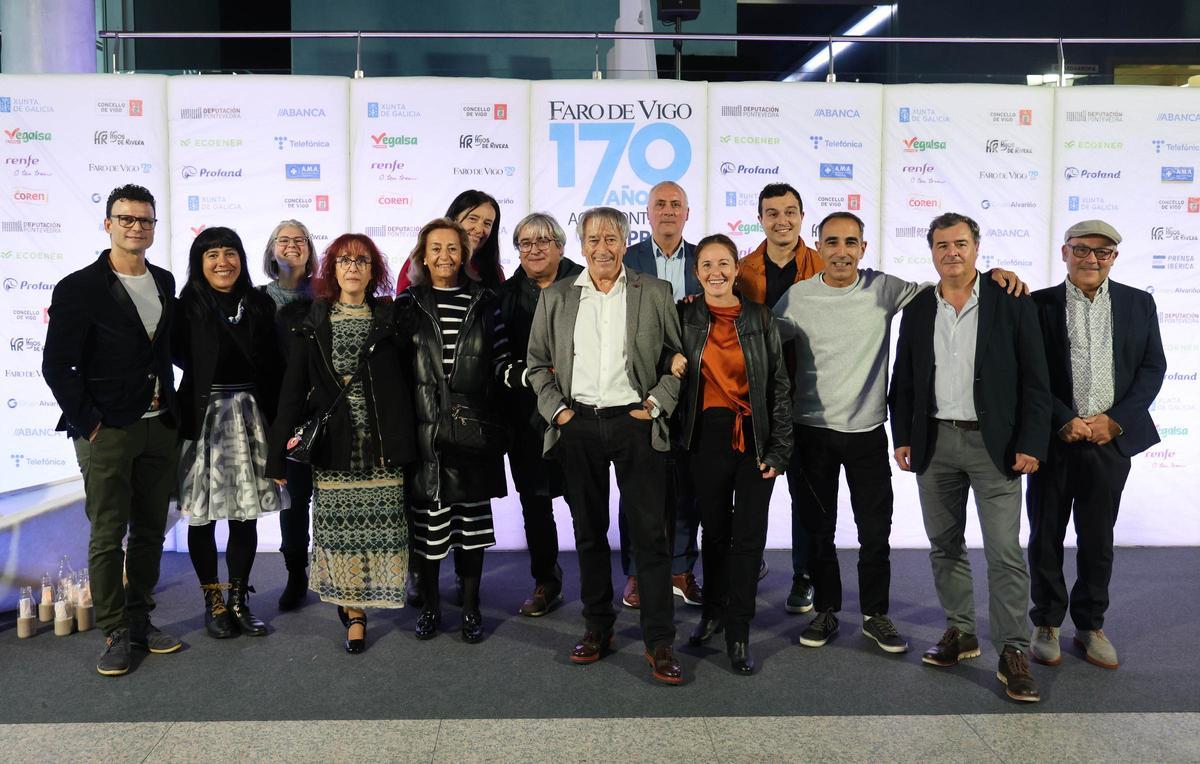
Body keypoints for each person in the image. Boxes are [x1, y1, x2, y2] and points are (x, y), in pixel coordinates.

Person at [772, 212, 1026, 655]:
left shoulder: (885, 289)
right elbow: (761, 341)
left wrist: (995, 276)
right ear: (819, 248)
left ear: (863, 249)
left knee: (875, 532)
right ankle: (826, 610)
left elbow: (951, 287)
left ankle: (876, 616)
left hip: (869, 432)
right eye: (832, 242)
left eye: (851, 242)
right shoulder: (797, 298)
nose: (842, 251)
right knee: (818, 529)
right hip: (810, 433)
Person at [889, 212, 1051, 703]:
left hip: (995, 446)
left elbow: (1035, 381)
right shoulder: (918, 307)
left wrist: (1031, 442)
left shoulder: (1011, 300)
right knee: (944, 545)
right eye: (942, 245)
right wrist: (903, 436)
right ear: (932, 251)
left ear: (977, 248)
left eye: (960, 243)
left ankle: (1013, 650)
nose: (951, 253)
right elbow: (906, 379)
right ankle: (960, 632)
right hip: (935, 443)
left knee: (1004, 551)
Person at [527, 206, 685, 685]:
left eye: (612, 238)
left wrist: (656, 404)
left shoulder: (654, 292)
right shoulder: (556, 297)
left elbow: (674, 360)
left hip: (635, 423)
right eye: (594, 238)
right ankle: (598, 628)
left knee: (650, 536)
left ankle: (659, 641)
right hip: (579, 425)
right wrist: (560, 414)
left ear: (624, 242)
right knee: (589, 533)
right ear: (581, 244)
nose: (603, 248)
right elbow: (536, 364)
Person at [42, 184, 182, 676]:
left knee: (149, 531)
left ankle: (141, 618)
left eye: (145, 220)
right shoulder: (78, 287)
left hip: (159, 427)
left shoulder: (164, 280)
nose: (136, 227)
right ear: (108, 223)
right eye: (126, 219)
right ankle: (115, 631)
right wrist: (92, 423)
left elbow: (168, 351)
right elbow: (57, 365)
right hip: (108, 430)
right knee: (107, 533)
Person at [1026, 220, 1167, 670]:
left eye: (1102, 252)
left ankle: (1090, 625)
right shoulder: (1037, 305)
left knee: (1098, 539)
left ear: (1114, 258)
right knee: (1046, 534)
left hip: (1109, 441)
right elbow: (1028, 373)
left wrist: (1117, 422)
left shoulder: (1138, 303)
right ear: (1064, 252)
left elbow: (1152, 368)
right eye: (1082, 250)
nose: (1091, 259)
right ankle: (1047, 622)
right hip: (1053, 440)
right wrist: (1061, 418)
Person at [267, 234, 415, 654]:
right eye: (344, 260)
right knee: (339, 534)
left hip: (384, 444)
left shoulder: (391, 319)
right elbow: (292, 392)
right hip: (335, 447)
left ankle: (370, 600)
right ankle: (354, 612)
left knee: (383, 531)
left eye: (362, 260)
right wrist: (277, 454)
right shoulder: (312, 320)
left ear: (374, 271)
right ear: (331, 269)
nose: (353, 267)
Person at [668, 234, 792, 675]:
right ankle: (713, 614)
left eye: (724, 263)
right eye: (706, 264)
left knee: (748, 538)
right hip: (705, 439)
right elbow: (660, 356)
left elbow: (778, 384)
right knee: (715, 534)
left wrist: (779, 448)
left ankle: (739, 631)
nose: (715, 272)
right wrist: (670, 362)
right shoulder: (683, 316)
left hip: (754, 439)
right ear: (696, 271)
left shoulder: (760, 317)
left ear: (737, 269)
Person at [400, 218, 510, 643]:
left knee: (472, 529)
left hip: (472, 432)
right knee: (428, 530)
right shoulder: (408, 304)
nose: (444, 256)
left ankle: (470, 608)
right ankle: (429, 606)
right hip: (423, 433)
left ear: (464, 255)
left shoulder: (485, 301)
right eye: (436, 248)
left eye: (453, 248)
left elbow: (500, 358)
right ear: (423, 256)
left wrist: (518, 377)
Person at [175, 227, 285, 639]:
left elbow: (273, 366)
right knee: (201, 517)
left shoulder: (258, 303)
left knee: (245, 513)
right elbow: (176, 356)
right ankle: (213, 601)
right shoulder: (187, 305)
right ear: (199, 263)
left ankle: (239, 599)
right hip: (203, 418)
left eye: (230, 253)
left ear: (241, 257)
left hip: (251, 416)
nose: (223, 262)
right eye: (212, 255)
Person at [733, 182, 825, 614]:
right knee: (754, 492)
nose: (781, 220)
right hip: (757, 399)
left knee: (805, 494)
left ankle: (804, 575)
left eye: (790, 211)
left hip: (809, 395)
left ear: (802, 217)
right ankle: (750, 566)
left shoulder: (824, 263)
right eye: (772, 212)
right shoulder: (743, 269)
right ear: (760, 219)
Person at [620, 180, 703, 610]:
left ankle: (681, 568)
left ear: (687, 214)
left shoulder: (705, 260)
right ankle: (635, 573)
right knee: (637, 487)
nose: (668, 211)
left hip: (695, 390)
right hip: (637, 390)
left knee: (687, 486)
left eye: (676, 205)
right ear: (647, 214)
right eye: (660, 205)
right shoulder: (626, 258)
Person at [497, 212, 584, 617]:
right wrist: (532, 378)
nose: (533, 249)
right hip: (526, 418)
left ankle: (597, 579)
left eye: (543, 241)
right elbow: (498, 357)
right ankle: (545, 580)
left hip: (581, 413)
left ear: (560, 247)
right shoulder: (506, 294)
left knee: (586, 500)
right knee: (535, 502)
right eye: (525, 243)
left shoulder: (586, 282)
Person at [259, 219, 317, 611]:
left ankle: (339, 575)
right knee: (294, 501)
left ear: (311, 251)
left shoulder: (327, 295)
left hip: (324, 412)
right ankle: (296, 577)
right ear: (271, 250)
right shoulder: (257, 299)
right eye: (284, 239)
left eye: (301, 240)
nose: (293, 245)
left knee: (329, 499)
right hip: (280, 414)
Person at [396, 189, 504, 293]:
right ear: (454, 219)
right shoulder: (421, 259)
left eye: (487, 223)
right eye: (472, 219)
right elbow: (403, 305)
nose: (479, 229)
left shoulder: (494, 271)